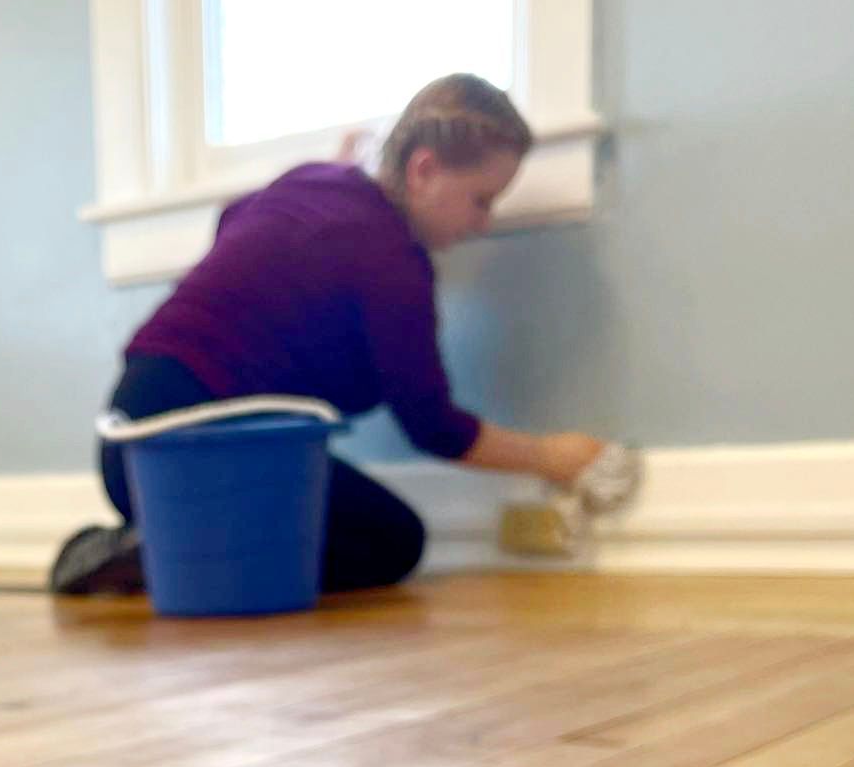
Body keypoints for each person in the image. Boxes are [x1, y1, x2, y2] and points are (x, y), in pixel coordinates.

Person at [51, 73, 608, 596]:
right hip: (189, 455)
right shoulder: (392, 260)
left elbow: (233, 216)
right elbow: (433, 426)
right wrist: (548, 456)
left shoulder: (317, 181)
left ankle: (156, 544)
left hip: (126, 443)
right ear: (423, 170)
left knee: (331, 512)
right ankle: (165, 557)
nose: (483, 222)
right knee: (391, 541)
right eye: (480, 200)